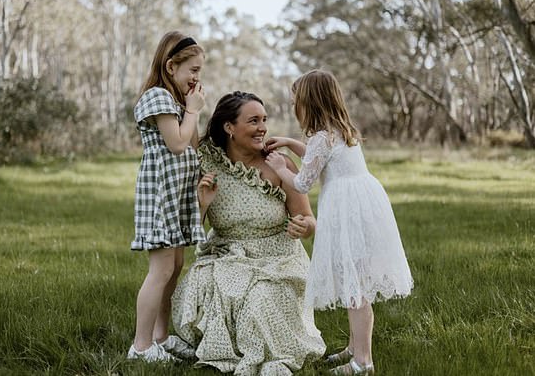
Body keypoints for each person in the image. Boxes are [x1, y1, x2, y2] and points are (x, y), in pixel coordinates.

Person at [264, 69, 414, 375]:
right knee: (354, 281)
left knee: (354, 285)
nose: (296, 106)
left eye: (297, 101)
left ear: (309, 103)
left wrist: (280, 167)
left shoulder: (322, 138)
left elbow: (303, 182)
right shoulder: (342, 131)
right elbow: (319, 158)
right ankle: (355, 347)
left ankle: (363, 362)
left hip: (346, 210)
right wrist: (292, 144)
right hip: (363, 204)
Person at [171, 91, 326, 375]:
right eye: (253, 121)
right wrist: (202, 204)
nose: (263, 128)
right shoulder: (207, 164)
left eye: (264, 120)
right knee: (208, 285)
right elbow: (191, 231)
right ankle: (222, 346)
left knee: (261, 298)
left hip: (278, 257)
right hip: (226, 254)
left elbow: (308, 220)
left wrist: (305, 226)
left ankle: (269, 356)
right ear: (229, 127)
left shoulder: (279, 163)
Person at [127, 31, 208, 363]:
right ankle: (141, 346)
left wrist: (193, 111)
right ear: (171, 65)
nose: (196, 77)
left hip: (178, 195)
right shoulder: (157, 96)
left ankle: (160, 337)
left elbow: (193, 143)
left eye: (199, 71)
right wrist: (191, 111)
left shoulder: (176, 101)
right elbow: (176, 143)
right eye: (193, 69)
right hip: (161, 196)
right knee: (160, 271)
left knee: (174, 266)